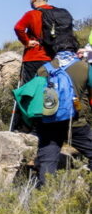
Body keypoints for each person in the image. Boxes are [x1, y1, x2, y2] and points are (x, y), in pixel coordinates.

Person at [29, 51, 92, 185]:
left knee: (47, 163)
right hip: (75, 122)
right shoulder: (84, 67)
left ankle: (45, 193)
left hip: (48, 123)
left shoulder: (43, 69)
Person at [12, 0, 63, 131]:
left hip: (33, 58)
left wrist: (27, 42)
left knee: (29, 91)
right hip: (51, 58)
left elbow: (18, 28)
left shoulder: (32, 14)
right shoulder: (56, 13)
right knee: (48, 90)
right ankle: (47, 125)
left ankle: (25, 127)